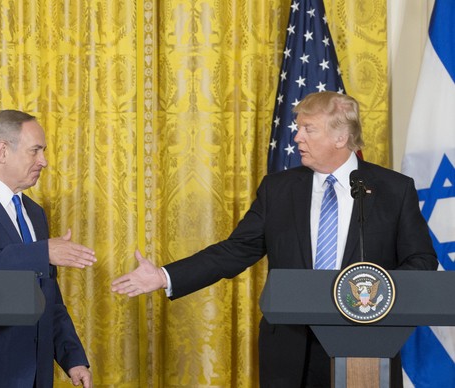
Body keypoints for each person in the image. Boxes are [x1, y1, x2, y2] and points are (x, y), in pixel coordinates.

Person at [112, 91, 437, 387]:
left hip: (364, 349)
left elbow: (421, 261)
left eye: (309, 129)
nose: (297, 137)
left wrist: (376, 290)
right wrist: (164, 276)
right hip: (290, 353)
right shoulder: (278, 189)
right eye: (298, 128)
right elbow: (236, 250)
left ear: (341, 137)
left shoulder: (393, 190)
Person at [0, 110, 96, 388]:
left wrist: (73, 358)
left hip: (37, 374)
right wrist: (40, 253)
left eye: (43, 151)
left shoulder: (34, 212)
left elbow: (49, 296)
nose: (44, 161)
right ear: (2, 151)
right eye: (35, 151)